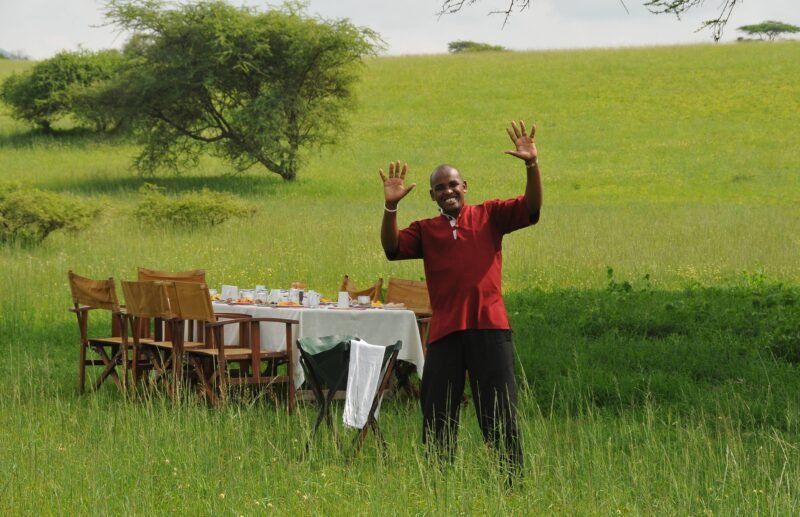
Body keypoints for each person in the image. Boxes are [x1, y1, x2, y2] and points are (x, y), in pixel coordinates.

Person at [378, 119, 542, 478]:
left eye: (453, 184)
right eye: (440, 188)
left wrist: (531, 164)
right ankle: (439, 482)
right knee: (437, 412)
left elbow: (531, 209)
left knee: (499, 411)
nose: (448, 191)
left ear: (465, 186)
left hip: (489, 328)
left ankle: (510, 483)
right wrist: (391, 207)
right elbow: (392, 248)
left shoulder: (490, 216)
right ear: (433, 195)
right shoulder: (425, 230)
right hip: (446, 334)